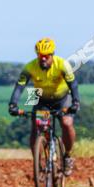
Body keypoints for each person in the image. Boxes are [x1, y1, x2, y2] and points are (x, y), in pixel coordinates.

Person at [8, 37, 81, 175]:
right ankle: (38, 161)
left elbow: (74, 85)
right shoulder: (29, 67)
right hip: (39, 95)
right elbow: (19, 87)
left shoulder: (62, 64)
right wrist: (13, 104)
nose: (43, 59)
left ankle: (67, 156)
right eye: (41, 56)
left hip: (62, 97)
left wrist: (76, 102)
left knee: (66, 123)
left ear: (52, 55)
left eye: (46, 56)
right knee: (37, 127)